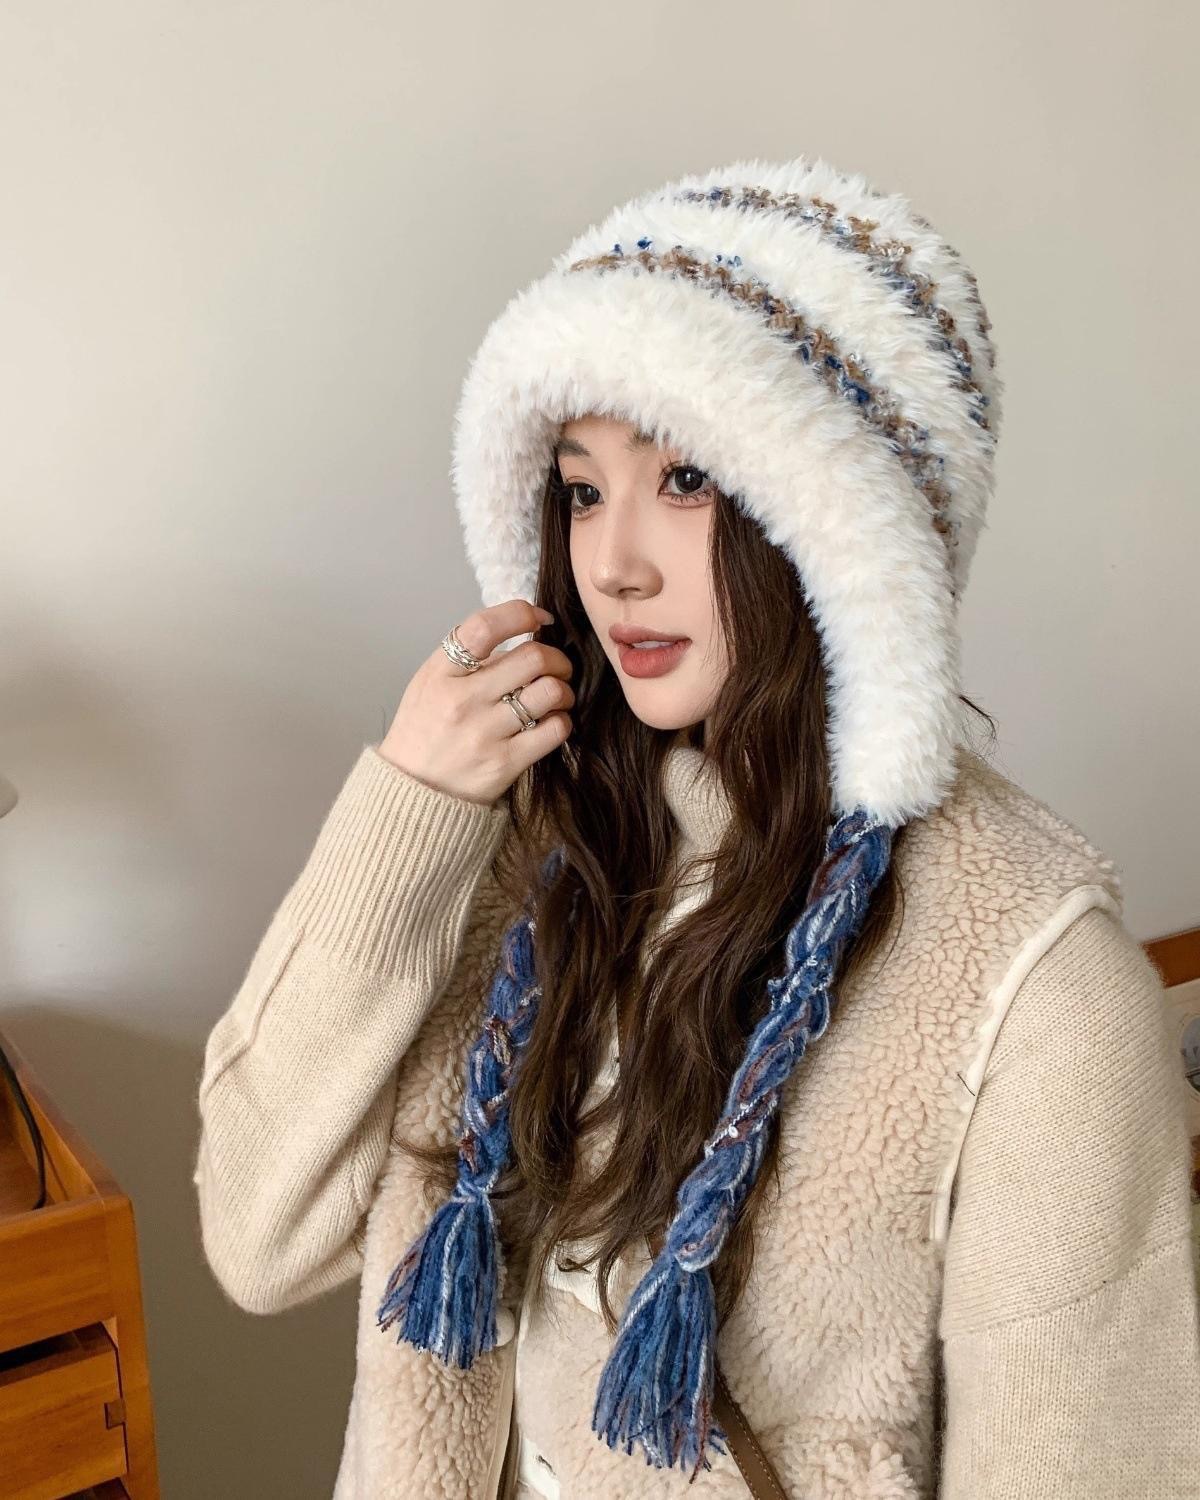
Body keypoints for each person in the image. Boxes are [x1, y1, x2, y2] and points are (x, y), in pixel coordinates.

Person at [193, 156, 1200, 1499]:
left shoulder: (1035, 980)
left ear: (842, 525)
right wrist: (409, 808)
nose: (613, 565)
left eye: (684, 478)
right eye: (582, 488)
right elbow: (257, 1241)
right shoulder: (522, 850)